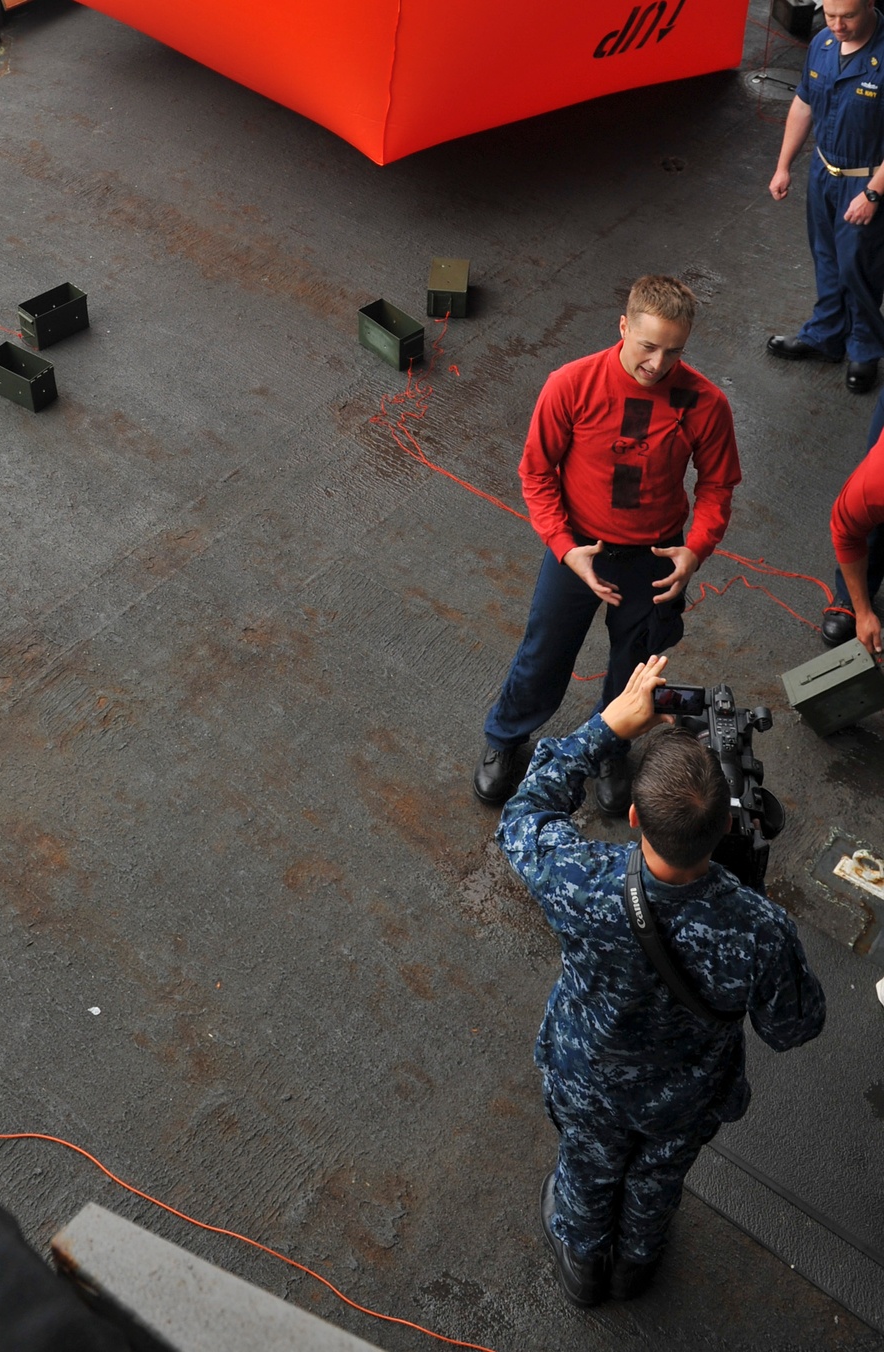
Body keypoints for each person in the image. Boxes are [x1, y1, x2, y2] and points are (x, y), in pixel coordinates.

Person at [497, 655, 825, 1307]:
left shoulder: (581, 883)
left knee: (589, 1165)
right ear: (728, 824)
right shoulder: (759, 930)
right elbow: (794, 1027)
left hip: (592, 1075)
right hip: (686, 1095)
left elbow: (523, 815)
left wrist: (609, 728)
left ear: (639, 819)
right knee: (659, 1175)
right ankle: (636, 1261)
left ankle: (583, 1261)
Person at [473, 276, 741, 816]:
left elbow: (717, 485)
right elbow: (536, 473)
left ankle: (611, 747)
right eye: (647, 346)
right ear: (623, 326)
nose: (657, 365)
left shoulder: (705, 403)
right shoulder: (570, 384)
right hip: (579, 550)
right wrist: (565, 547)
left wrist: (695, 550)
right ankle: (506, 737)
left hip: (655, 560)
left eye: (674, 351)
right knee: (544, 651)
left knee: (635, 665)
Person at [767, 0, 884, 395]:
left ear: (869, 5)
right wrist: (784, 165)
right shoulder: (822, 43)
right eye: (830, 15)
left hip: (867, 179)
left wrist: (873, 192)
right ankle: (827, 335)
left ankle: (865, 349)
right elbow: (804, 102)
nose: (837, 25)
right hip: (824, 171)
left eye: (847, 16)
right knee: (827, 257)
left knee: (859, 266)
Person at [821, 391, 884, 651]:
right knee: (873, 522)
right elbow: (847, 534)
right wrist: (864, 611)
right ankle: (852, 597)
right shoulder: (875, 485)